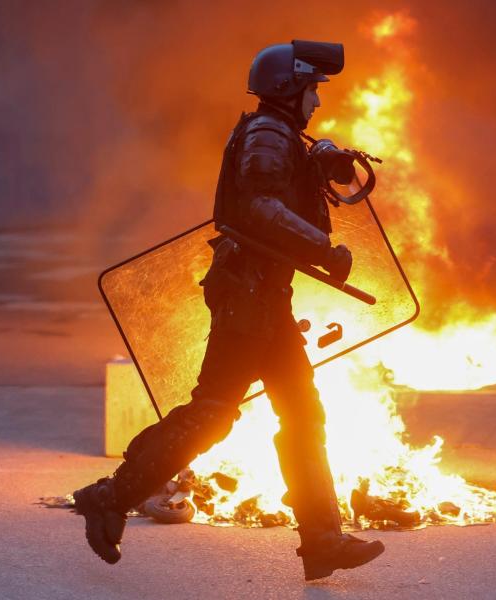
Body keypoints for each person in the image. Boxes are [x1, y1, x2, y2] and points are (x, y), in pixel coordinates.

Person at [72, 40, 385, 581]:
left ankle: (321, 540)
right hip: (248, 298)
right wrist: (322, 248)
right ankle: (110, 498)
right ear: (290, 91)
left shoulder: (281, 133)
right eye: (312, 91)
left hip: (268, 299)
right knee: (214, 412)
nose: (316, 104)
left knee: (303, 414)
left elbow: (296, 160)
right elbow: (260, 206)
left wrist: (326, 156)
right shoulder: (267, 132)